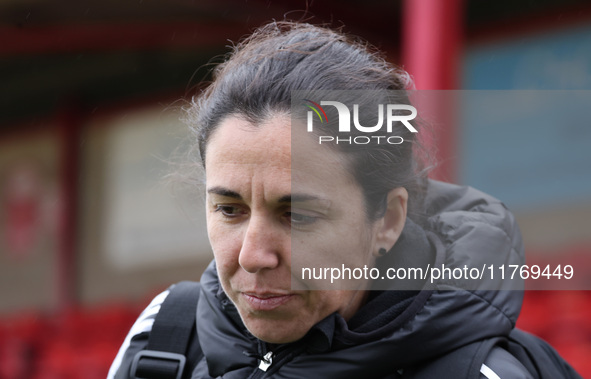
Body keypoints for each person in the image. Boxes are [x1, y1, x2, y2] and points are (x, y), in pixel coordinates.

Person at [108, 21, 581, 379]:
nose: (253, 255)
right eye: (229, 209)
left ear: (388, 220)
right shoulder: (163, 340)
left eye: (298, 215)